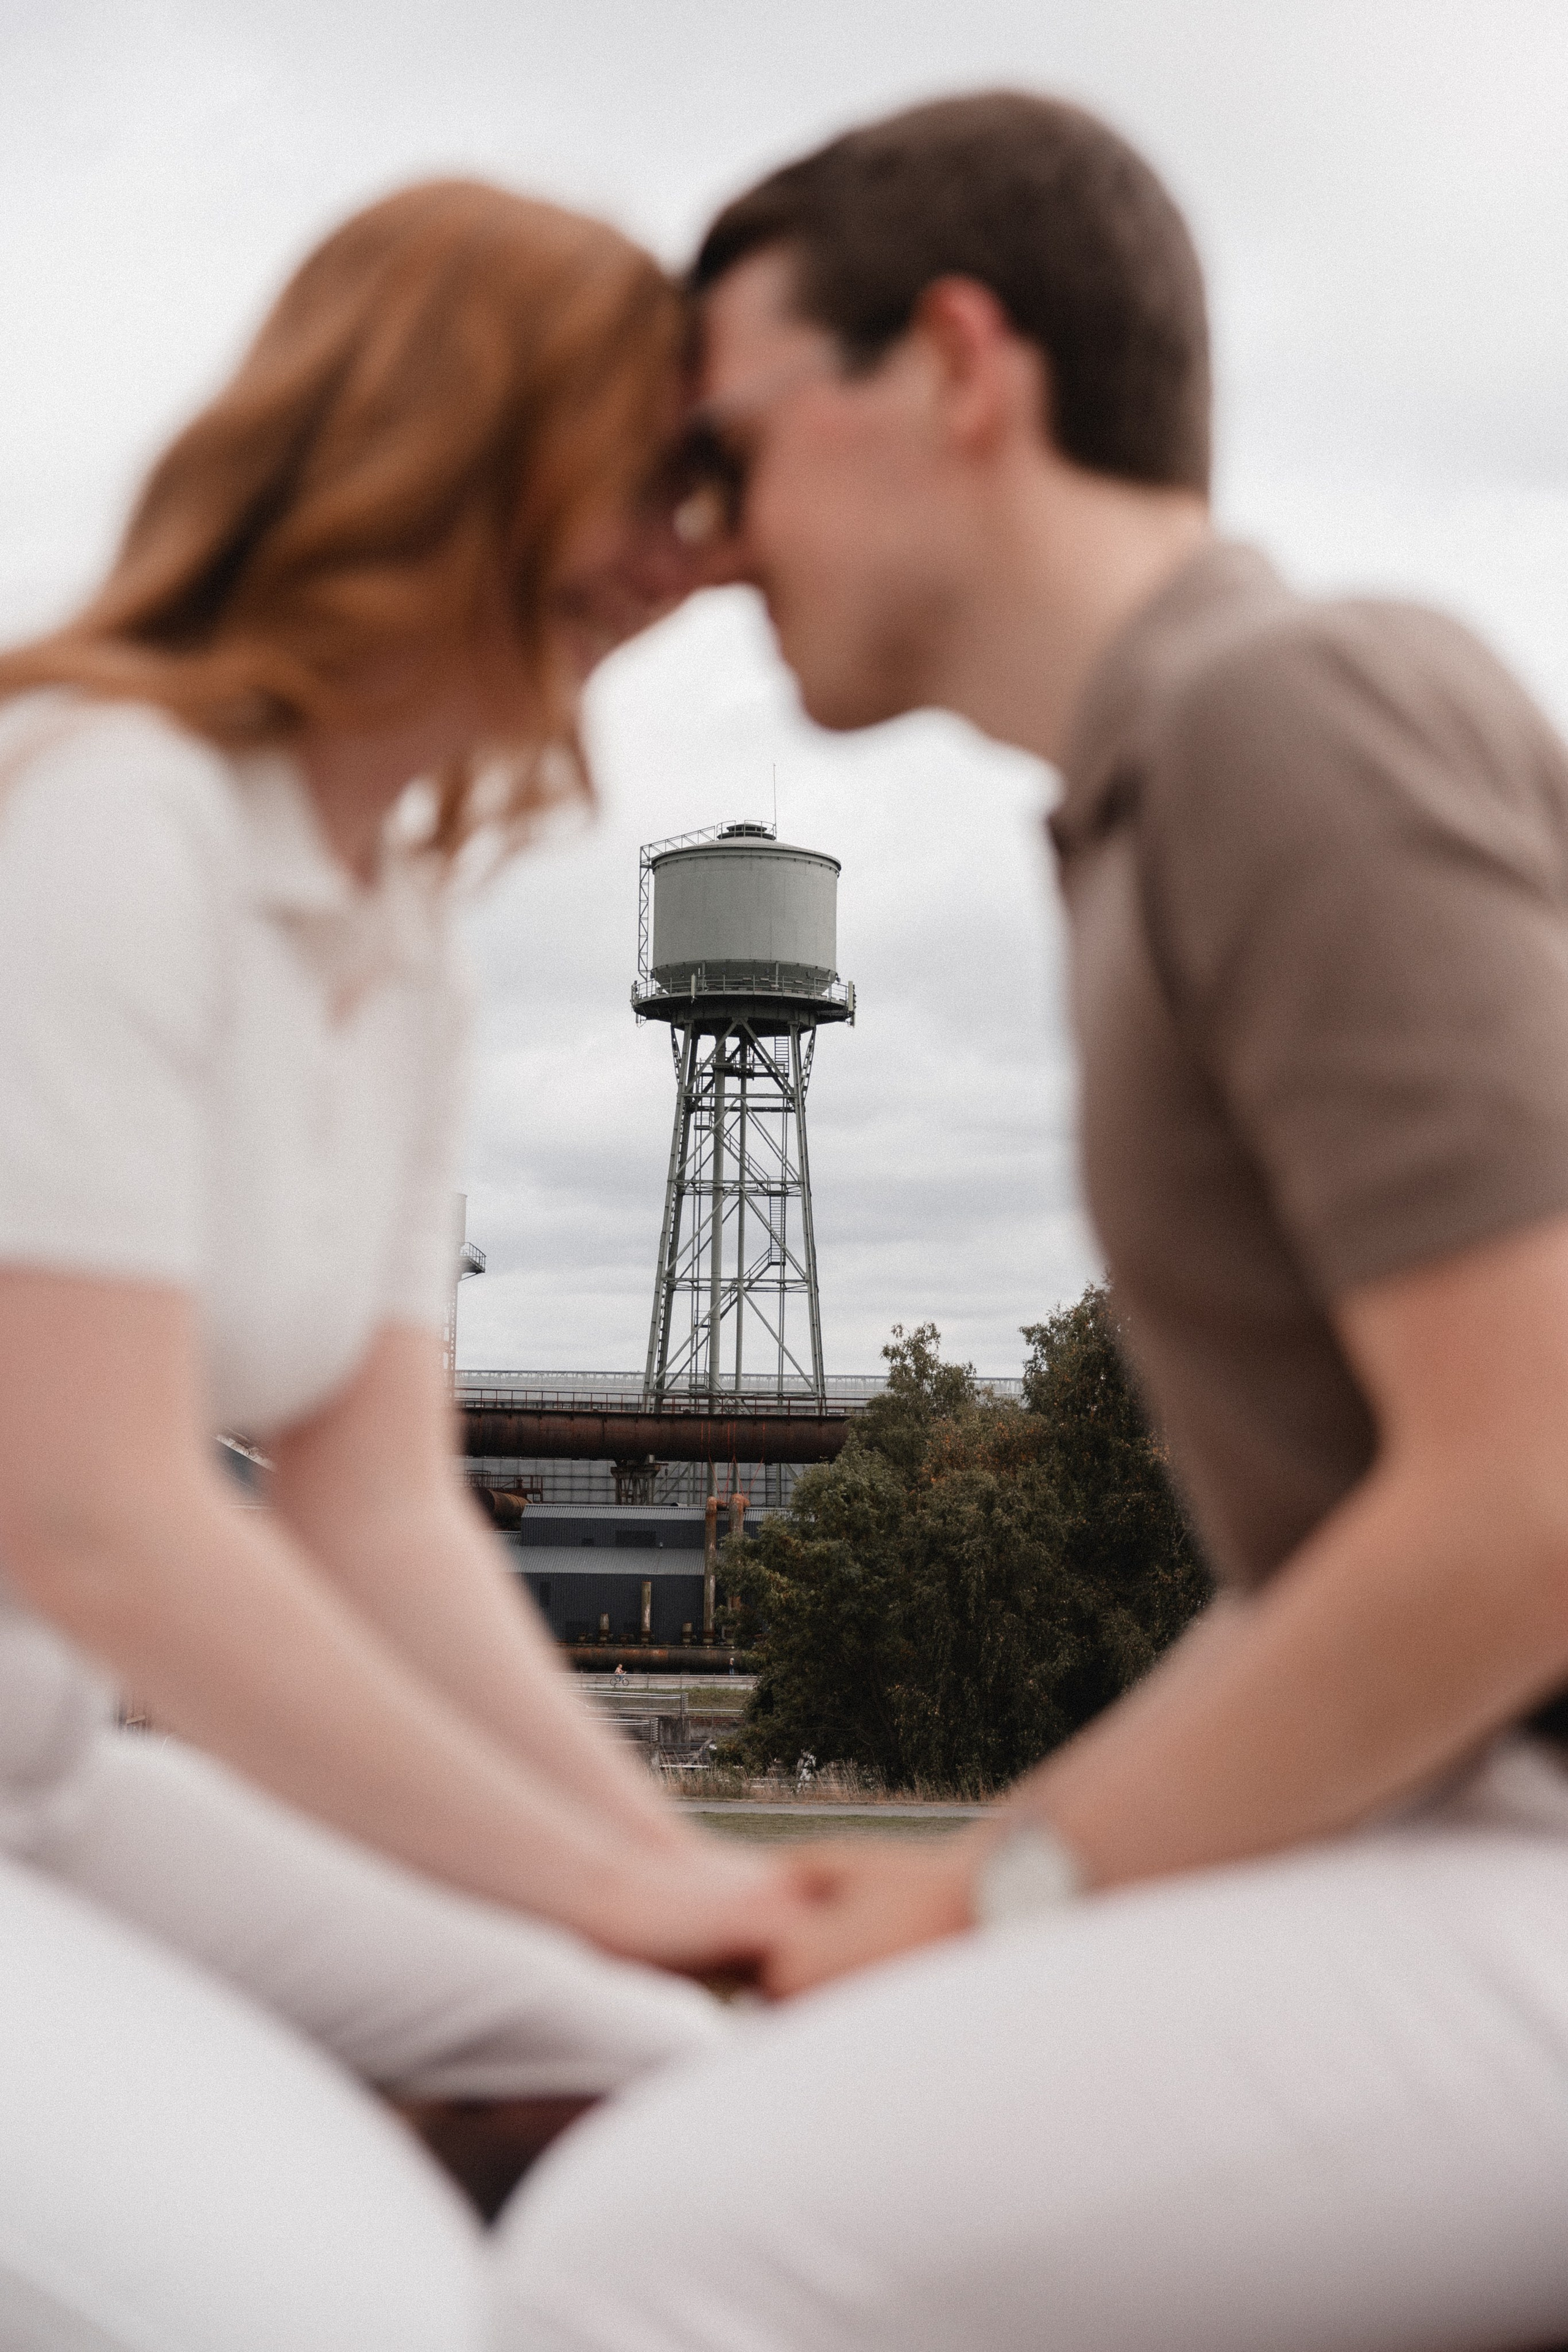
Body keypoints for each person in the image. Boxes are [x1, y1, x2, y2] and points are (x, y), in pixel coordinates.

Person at [497, 92, 1568, 2351]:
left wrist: (1005, 1887)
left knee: (645, 2259)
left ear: (959, 368)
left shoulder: (1284, 716)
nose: (699, 540)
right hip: (1458, 1837)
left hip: (1529, 1862)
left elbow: (1534, 1489)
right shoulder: (1150, 789)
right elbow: (1343, 1565)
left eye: (729, 448)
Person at [0, 178, 807, 2350]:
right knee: (346, 2304)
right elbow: (95, 1519)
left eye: (706, 487)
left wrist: (693, 1894)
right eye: (648, 472)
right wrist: (608, 1884)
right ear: (446, 445)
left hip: (45, 1783)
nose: (690, 545)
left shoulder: (398, 919)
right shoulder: (93, 813)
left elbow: (370, 1504)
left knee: (688, 2085)